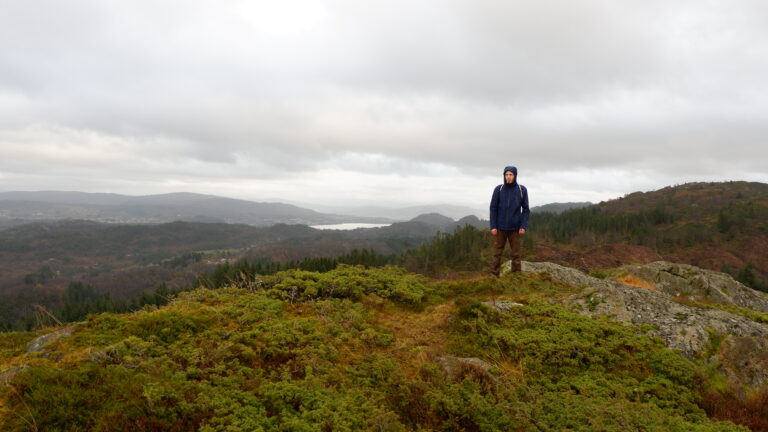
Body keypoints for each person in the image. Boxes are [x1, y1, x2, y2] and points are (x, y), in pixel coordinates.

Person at [489, 165, 530, 276]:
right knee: (497, 253)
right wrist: (493, 226)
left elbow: (526, 210)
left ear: (515, 176)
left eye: (510, 174)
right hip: (500, 227)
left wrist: (523, 226)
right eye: (506, 174)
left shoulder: (522, 190)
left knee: (515, 254)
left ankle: (516, 276)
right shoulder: (499, 189)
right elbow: (493, 208)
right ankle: (494, 275)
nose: (508, 177)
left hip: (515, 228)